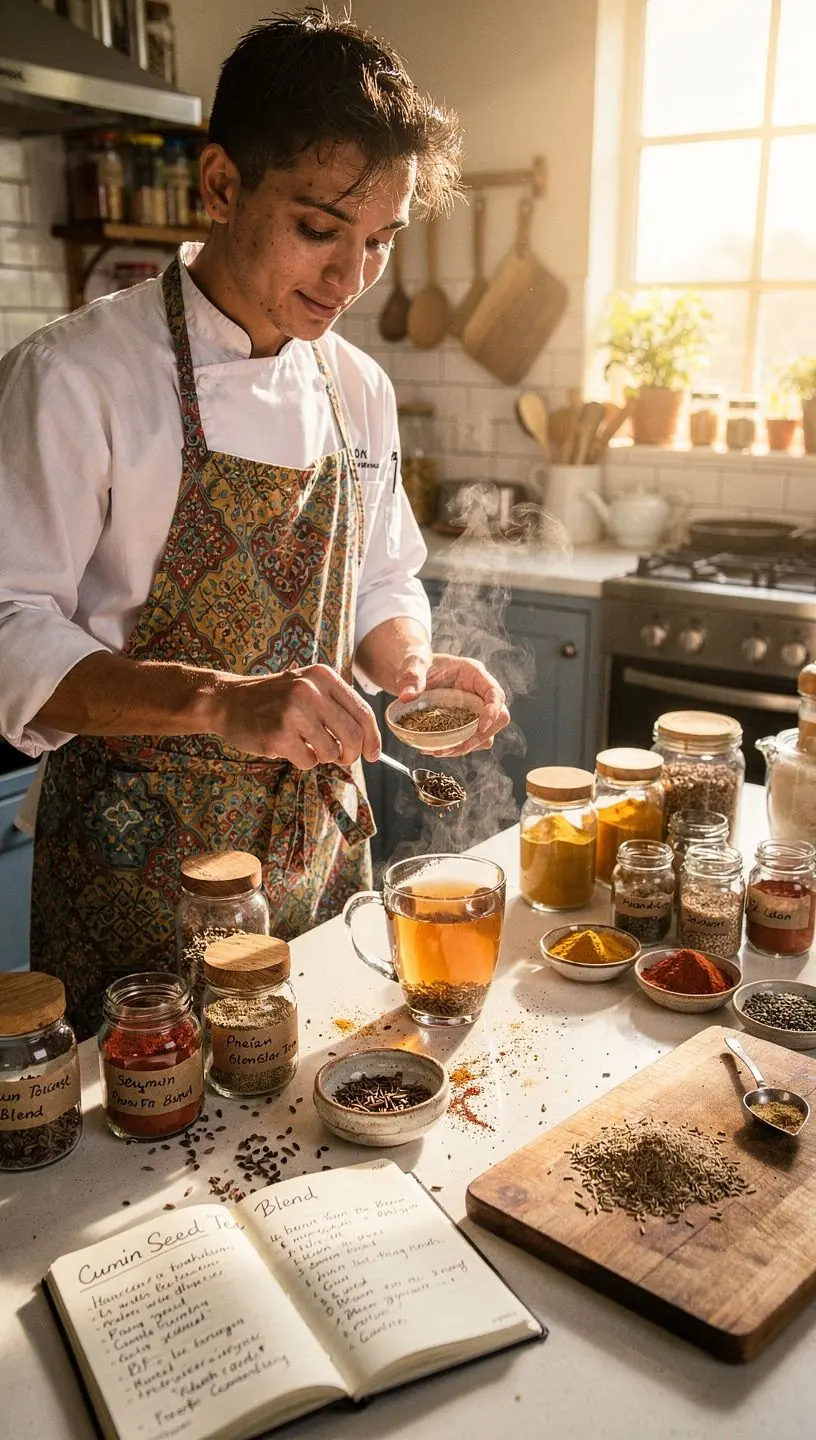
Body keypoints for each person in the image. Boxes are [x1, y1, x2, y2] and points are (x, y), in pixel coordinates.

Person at [0, 9, 509, 1037]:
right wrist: (224, 703)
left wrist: (409, 663)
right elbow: (9, 627)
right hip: (132, 878)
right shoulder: (76, 377)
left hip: (315, 863)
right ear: (223, 185)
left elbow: (379, 578)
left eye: (379, 243)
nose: (350, 279)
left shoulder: (355, 385)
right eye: (321, 229)